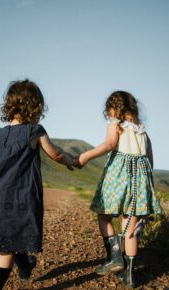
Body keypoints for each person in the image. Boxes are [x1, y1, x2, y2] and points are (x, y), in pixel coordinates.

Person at [0, 79, 76, 290]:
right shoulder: (35, 131)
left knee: (12, 234)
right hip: (18, 198)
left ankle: (25, 267)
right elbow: (56, 153)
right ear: (36, 106)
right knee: (6, 249)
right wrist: (71, 160)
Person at [77, 91, 162, 288]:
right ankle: (129, 276)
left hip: (117, 178)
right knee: (130, 229)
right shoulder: (142, 132)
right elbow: (150, 161)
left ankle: (115, 256)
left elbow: (109, 144)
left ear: (114, 110)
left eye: (109, 112)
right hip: (139, 182)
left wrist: (85, 156)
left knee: (104, 216)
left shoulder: (116, 125)